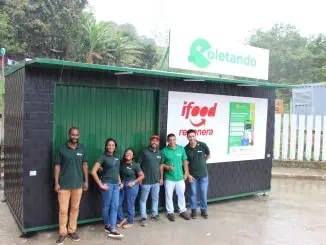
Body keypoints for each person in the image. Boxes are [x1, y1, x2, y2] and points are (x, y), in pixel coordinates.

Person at [54, 127, 88, 245]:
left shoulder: (82, 148)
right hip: (64, 185)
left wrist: (86, 181)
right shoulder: (61, 149)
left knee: (75, 209)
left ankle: (72, 231)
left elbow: (84, 165)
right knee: (63, 210)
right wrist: (56, 183)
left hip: (78, 184)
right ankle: (62, 233)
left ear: (79, 136)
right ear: (69, 134)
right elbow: (57, 166)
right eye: (73, 134)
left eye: (77, 135)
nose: (75, 137)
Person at [91, 138, 123, 239]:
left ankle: (112, 228)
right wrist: (100, 184)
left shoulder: (117, 158)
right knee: (106, 206)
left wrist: (120, 182)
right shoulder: (103, 157)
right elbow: (93, 171)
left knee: (115, 206)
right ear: (106, 146)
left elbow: (117, 172)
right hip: (107, 185)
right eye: (109, 145)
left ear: (115, 147)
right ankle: (107, 225)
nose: (111, 147)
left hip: (116, 186)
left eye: (113, 145)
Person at [160, 133, 191, 222]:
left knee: (181, 194)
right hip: (169, 178)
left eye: (173, 139)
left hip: (180, 177)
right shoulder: (164, 151)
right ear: (167, 141)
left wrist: (186, 173)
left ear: (175, 140)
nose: (172, 141)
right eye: (170, 140)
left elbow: (185, 161)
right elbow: (161, 164)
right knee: (169, 195)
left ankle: (182, 211)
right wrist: (168, 167)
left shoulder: (181, 149)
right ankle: (170, 212)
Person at [137, 135, 165, 226]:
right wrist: (140, 178)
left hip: (156, 181)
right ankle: (143, 217)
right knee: (143, 199)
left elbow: (161, 166)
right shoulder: (144, 151)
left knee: (155, 199)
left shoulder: (160, 153)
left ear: (158, 142)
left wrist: (161, 178)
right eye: (153, 140)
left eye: (156, 141)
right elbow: (138, 165)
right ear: (150, 141)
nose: (154, 142)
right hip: (145, 181)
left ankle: (154, 214)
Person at [184, 129, 210, 219]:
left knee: (203, 193)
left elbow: (208, 155)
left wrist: (203, 162)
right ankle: (194, 211)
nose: (191, 138)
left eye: (193, 136)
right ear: (187, 137)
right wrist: (188, 175)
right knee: (193, 194)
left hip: (203, 175)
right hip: (193, 176)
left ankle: (203, 210)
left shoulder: (202, 145)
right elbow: (185, 163)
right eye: (190, 136)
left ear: (196, 136)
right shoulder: (186, 148)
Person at [117, 148, 144, 229]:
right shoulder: (122, 164)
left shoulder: (136, 165)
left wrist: (133, 183)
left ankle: (131, 221)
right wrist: (120, 182)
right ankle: (122, 219)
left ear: (133, 156)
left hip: (132, 185)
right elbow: (118, 174)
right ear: (125, 155)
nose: (128, 154)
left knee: (130, 204)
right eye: (127, 153)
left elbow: (142, 176)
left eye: (130, 153)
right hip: (123, 184)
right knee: (117, 203)